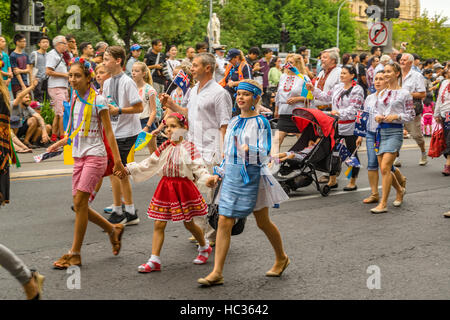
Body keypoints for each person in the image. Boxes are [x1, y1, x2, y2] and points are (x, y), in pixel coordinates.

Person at [197, 80, 289, 287]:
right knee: (224, 221)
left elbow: (265, 153)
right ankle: (217, 272)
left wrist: (250, 151)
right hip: (232, 177)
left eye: (246, 94)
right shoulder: (233, 121)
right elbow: (228, 153)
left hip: (253, 178)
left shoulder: (261, 122)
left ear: (256, 98)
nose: (240, 97)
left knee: (262, 222)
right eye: (238, 94)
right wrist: (218, 174)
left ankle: (281, 257)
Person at [46, 57, 127, 268]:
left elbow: (108, 132)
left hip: (96, 155)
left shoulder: (98, 100)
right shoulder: (74, 98)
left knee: (80, 202)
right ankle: (113, 229)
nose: (72, 79)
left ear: (88, 77)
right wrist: (60, 143)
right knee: (79, 205)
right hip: (79, 156)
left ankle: (75, 253)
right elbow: (74, 130)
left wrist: (117, 163)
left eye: (77, 76)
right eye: (70, 75)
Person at [119, 113, 214, 272]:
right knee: (159, 222)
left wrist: (207, 178)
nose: (169, 130)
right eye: (167, 126)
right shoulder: (164, 146)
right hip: (166, 187)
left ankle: (204, 246)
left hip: (184, 188)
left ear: (184, 129)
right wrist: (128, 169)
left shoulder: (189, 147)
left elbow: (199, 166)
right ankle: (154, 259)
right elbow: (149, 163)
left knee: (189, 223)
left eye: (173, 126)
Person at [159, 52, 232, 246]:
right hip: (192, 148)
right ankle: (202, 230)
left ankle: (211, 234)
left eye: (195, 65)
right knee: (194, 193)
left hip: (211, 150)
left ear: (208, 68)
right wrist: (172, 104)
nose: (191, 69)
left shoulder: (219, 93)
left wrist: (224, 153)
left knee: (206, 193)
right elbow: (188, 115)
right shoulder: (193, 91)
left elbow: (224, 125)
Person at [102, 46, 143, 226]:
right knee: (120, 172)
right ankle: (131, 211)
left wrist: (118, 110)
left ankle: (120, 211)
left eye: (106, 59)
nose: (103, 63)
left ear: (118, 61)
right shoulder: (106, 83)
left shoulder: (128, 82)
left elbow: (139, 107)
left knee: (117, 171)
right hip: (113, 132)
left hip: (126, 133)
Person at [307, 65, 365, 191]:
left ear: (352, 75)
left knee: (351, 154)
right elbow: (325, 97)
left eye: (345, 73)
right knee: (333, 152)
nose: (342, 75)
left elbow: (355, 108)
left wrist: (339, 113)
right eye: (342, 73)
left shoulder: (357, 89)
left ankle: (352, 180)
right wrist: (313, 90)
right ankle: (332, 179)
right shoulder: (338, 87)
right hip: (336, 125)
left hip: (350, 126)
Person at [370, 62, 413, 214]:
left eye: (389, 71)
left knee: (385, 167)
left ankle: (383, 203)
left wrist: (397, 116)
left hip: (395, 132)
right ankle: (400, 190)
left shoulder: (404, 93)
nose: (386, 74)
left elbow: (411, 115)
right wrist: (377, 117)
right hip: (381, 132)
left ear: (397, 74)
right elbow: (375, 110)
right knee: (385, 169)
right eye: (385, 71)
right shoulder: (381, 93)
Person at [358, 70, 387, 204]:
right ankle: (374, 194)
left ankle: (400, 184)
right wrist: (360, 135)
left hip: (385, 134)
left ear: (387, 81)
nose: (378, 82)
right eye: (376, 79)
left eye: (381, 79)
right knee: (371, 164)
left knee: (387, 167)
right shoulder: (369, 97)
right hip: (370, 133)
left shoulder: (389, 97)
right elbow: (364, 116)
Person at [274, 54, 308, 151]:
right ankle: (273, 163)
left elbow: (310, 97)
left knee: (302, 141)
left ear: (297, 64)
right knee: (277, 139)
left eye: (291, 63)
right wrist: (276, 109)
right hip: (284, 113)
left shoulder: (303, 78)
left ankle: (303, 162)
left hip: (298, 114)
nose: (288, 65)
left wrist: (297, 99)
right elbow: (278, 94)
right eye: (287, 63)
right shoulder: (283, 77)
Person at [398, 53, 427, 166]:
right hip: (397, 109)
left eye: (404, 60)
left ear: (410, 62)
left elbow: (422, 94)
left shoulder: (416, 75)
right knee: (396, 134)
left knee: (416, 135)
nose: (402, 62)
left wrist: (406, 94)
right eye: (401, 60)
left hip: (412, 109)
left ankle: (423, 152)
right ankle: (396, 157)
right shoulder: (396, 74)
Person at [10, 79, 51, 148]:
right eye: (26, 97)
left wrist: (44, 132)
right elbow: (20, 96)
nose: (28, 99)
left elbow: (39, 117)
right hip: (10, 129)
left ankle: (27, 141)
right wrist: (32, 86)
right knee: (16, 120)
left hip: (21, 129)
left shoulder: (27, 107)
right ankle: (15, 142)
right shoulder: (14, 104)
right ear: (19, 98)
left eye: (29, 97)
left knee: (35, 120)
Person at [46, 35, 70, 142]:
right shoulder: (52, 54)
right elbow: (48, 71)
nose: (66, 45)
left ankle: (54, 136)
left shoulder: (61, 55)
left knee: (58, 113)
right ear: (58, 44)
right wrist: (65, 75)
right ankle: (62, 137)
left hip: (63, 86)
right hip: (56, 86)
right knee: (62, 113)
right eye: (65, 43)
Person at [132, 61, 158, 154]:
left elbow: (153, 111)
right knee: (131, 151)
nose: (133, 73)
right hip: (133, 122)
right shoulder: (131, 88)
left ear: (143, 73)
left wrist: (147, 126)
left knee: (153, 152)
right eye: (132, 70)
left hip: (146, 122)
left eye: (137, 71)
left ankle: (156, 168)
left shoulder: (149, 90)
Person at [434, 75, 450, 177]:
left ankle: (448, 164)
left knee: (449, 139)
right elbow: (439, 99)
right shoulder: (444, 83)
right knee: (446, 138)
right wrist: (437, 113)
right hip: (446, 114)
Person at [10, 34, 32, 98]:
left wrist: (20, 70)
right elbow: (16, 73)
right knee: (19, 102)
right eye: (23, 41)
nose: (25, 43)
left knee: (28, 101)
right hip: (16, 83)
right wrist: (22, 85)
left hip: (26, 82)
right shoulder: (13, 55)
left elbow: (29, 69)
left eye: (25, 41)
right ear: (17, 42)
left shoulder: (25, 55)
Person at [30, 36, 50, 102]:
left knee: (47, 101)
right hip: (37, 80)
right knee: (38, 101)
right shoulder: (34, 54)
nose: (45, 44)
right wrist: (31, 81)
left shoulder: (49, 55)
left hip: (47, 80)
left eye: (47, 42)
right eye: (43, 42)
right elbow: (30, 67)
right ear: (39, 44)